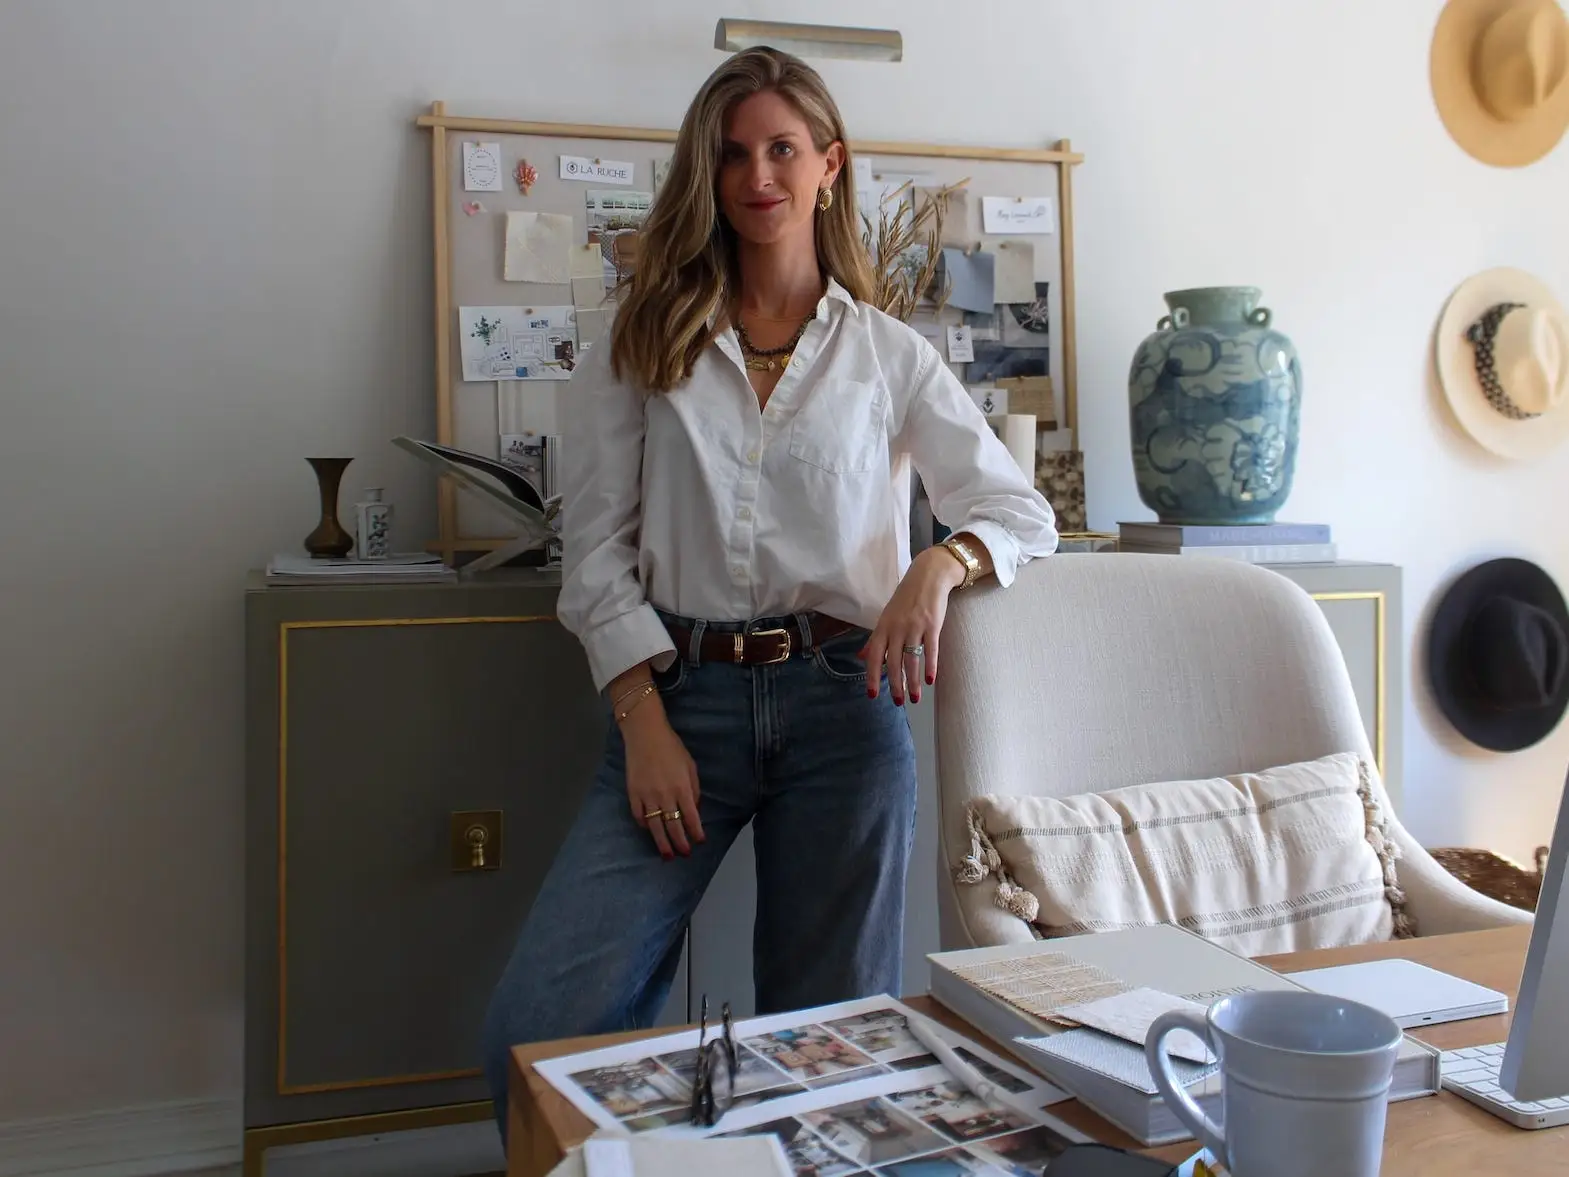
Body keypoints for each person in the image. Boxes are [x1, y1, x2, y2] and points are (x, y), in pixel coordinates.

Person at [481, 45, 1058, 1133]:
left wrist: (940, 563)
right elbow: (595, 553)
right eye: (733, 153)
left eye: (782, 149)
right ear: (706, 172)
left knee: (829, 1056)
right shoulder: (640, 343)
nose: (758, 176)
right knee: (537, 1029)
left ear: (829, 165)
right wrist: (642, 718)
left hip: (844, 709)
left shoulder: (889, 356)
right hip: (677, 706)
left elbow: (1018, 511)